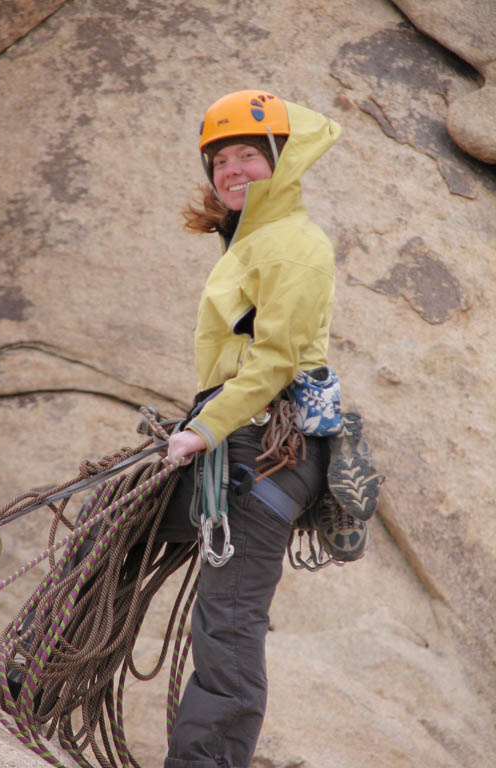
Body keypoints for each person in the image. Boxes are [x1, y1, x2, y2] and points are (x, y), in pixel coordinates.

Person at [158, 89, 369, 768]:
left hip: (265, 446)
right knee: (111, 537)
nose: (231, 170)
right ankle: (35, 674)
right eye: (219, 161)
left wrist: (204, 430)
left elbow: (276, 360)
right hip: (233, 432)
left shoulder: (294, 246)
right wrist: (207, 426)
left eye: (247, 154)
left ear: (281, 159)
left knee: (228, 617)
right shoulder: (249, 243)